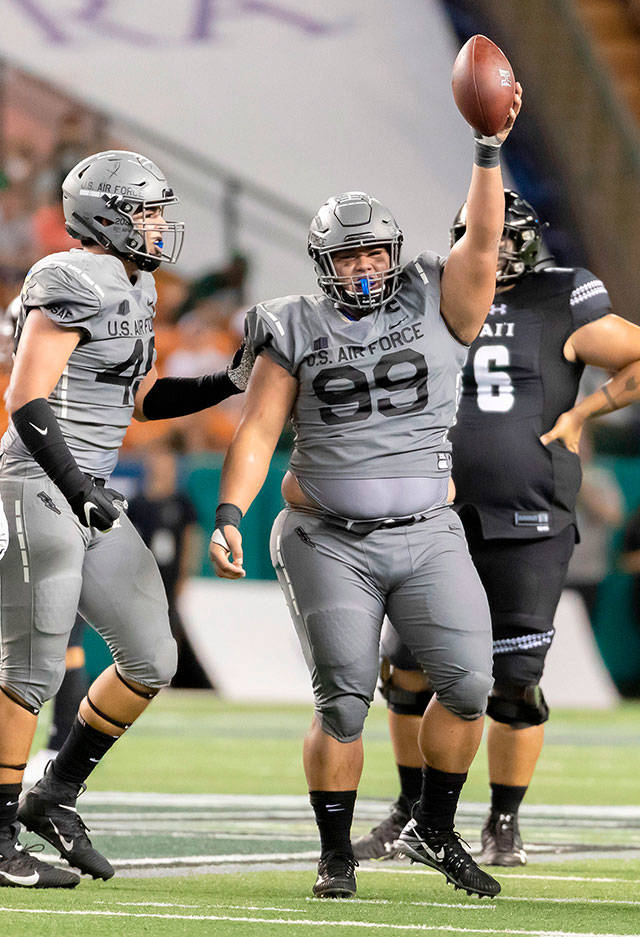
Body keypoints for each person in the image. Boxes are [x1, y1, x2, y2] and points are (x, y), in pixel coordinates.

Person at [210, 85, 522, 900]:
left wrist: (488, 150)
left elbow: (483, 246)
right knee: (344, 699)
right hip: (327, 537)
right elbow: (258, 429)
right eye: (347, 257)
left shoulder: (439, 297)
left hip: (427, 529)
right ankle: (337, 849)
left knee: (468, 683)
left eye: (374, 253)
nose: (363, 267)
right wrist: (230, 512)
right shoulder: (292, 322)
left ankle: (434, 826)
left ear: (395, 252)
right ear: (323, 264)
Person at [352, 190, 640, 867]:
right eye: (485, 234)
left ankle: (503, 821)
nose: (499, 247)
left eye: (512, 236)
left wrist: (584, 413)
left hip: (528, 510)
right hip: (431, 512)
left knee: (513, 679)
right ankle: (409, 810)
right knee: (407, 671)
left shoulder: (559, 296)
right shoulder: (428, 291)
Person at [0, 149, 252, 889]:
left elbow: (135, 402)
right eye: (144, 211)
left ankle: (56, 793)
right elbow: (26, 396)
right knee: (26, 672)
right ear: (104, 215)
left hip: (91, 488)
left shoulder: (138, 288)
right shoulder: (66, 275)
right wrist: (76, 485)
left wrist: (226, 380)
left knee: (151, 656)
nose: (158, 224)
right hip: (39, 483)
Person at [128, 436, 208, 688]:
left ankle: (167, 678)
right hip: (145, 577)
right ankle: (139, 676)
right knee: (141, 627)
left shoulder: (181, 502)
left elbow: (191, 537)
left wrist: (186, 573)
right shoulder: (138, 503)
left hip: (170, 577)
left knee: (171, 625)